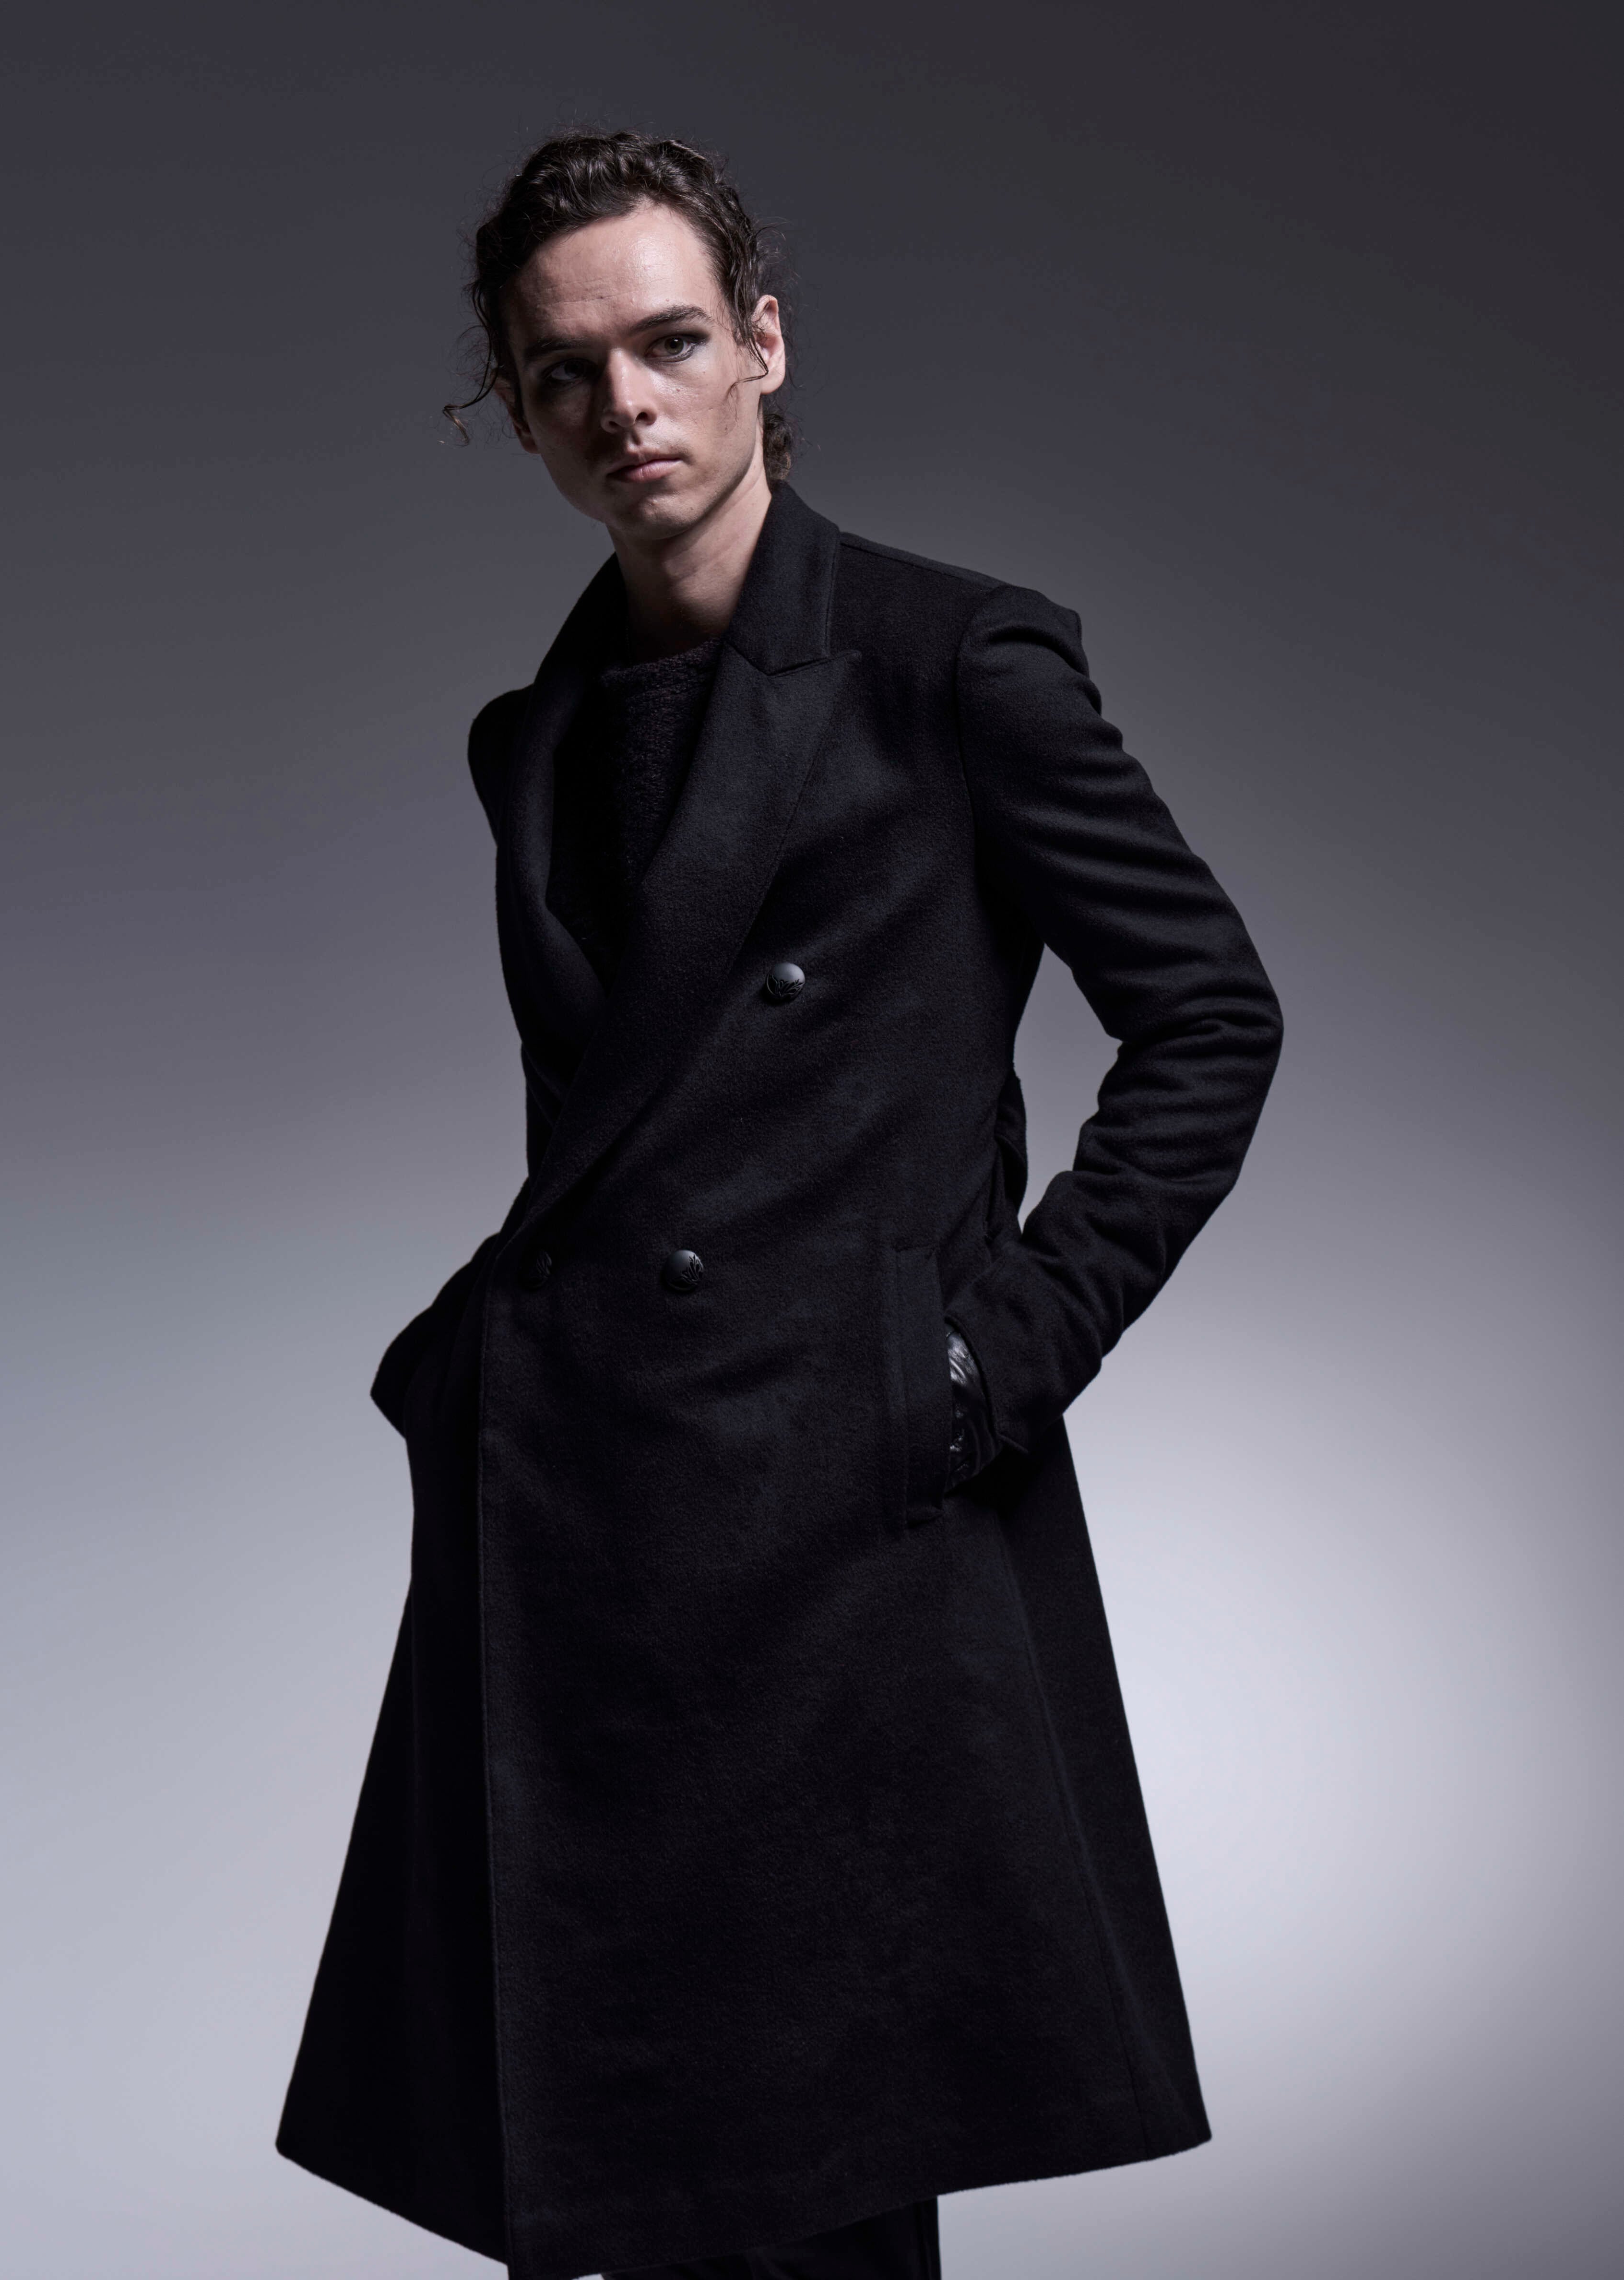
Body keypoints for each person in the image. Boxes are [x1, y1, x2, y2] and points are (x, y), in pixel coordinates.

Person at [277, 130, 1283, 2280]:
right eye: (564, 373)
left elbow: (1210, 1017)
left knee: (830, 2159)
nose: (623, 405)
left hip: (836, 1506)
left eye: (665, 345)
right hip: (589, 1507)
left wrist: (989, 1353)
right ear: (517, 409)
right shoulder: (534, 740)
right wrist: (465, 1366)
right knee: (624, 2165)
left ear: (762, 345)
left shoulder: (953, 665)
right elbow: (616, 1135)